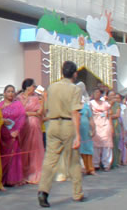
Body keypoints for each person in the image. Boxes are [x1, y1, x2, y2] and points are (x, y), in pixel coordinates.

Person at [37, 61, 83, 208]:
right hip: (67, 124)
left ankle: (43, 191)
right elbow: (75, 112)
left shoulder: (52, 87)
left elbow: (44, 108)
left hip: (52, 124)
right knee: (73, 160)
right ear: (75, 74)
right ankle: (77, 193)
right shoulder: (75, 89)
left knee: (50, 160)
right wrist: (77, 135)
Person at [17, 78, 45, 184]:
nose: (35, 88)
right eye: (33, 86)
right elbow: (20, 112)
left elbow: (40, 112)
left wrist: (42, 102)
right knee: (24, 148)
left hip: (35, 125)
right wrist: (31, 113)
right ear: (27, 87)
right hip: (23, 126)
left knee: (35, 148)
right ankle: (23, 173)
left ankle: (35, 173)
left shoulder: (36, 98)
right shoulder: (19, 98)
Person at [0, 85, 26, 187]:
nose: (10, 93)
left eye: (12, 91)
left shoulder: (18, 105)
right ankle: (0, 179)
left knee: (13, 156)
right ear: (4, 93)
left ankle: (12, 179)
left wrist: (17, 131)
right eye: (8, 91)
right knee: (2, 157)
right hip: (1, 135)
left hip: (13, 135)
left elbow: (22, 118)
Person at [90, 88, 112, 171]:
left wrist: (111, 126)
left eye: (98, 92)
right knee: (95, 145)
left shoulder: (105, 104)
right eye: (95, 92)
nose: (97, 94)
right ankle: (95, 163)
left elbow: (109, 114)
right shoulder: (90, 103)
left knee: (106, 144)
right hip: (95, 124)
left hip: (105, 124)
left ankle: (106, 164)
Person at [77, 82, 95, 175]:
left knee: (88, 148)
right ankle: (80, 167)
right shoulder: (73, 106)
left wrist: (93, 129)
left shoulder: (86, 105)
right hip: (77, 130)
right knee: (78, 149)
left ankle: (90, 168)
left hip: (86, 130)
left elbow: (91, 118)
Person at [108, 90, 121, 169]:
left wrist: (109, 116)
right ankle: (108, 162)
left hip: (115, 124)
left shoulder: (117, 104)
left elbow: (117, 115)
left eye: (114, 95)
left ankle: (115, 162)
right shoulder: (105, 104)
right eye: (111, 95)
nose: (112, 97)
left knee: (115, 143)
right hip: (106, 124)